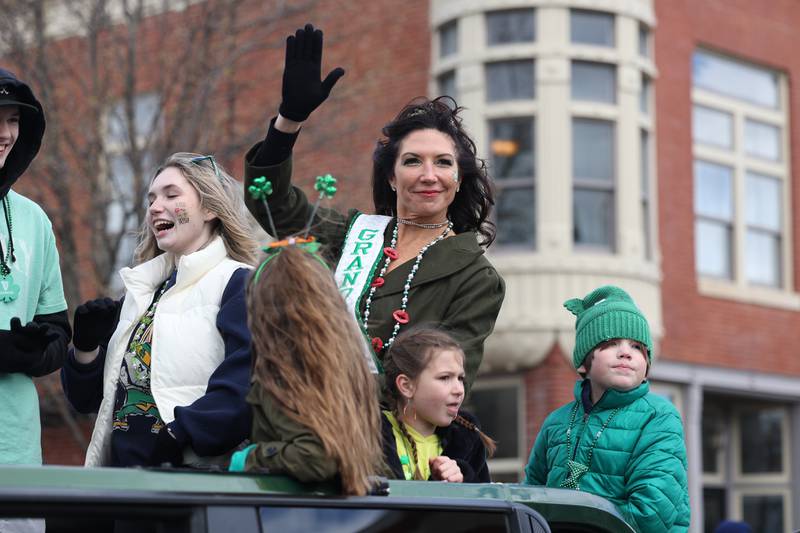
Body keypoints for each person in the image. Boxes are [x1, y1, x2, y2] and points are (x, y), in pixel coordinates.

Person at [244, 23, 504, 390]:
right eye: (413, 161)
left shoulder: (476, 278)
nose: (429, 175)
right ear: (391, 178)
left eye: (443, 163)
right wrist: (289, 121)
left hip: (385, 434)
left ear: (459, 180)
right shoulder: (354, 235)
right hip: (307, 418)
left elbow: (446, 384)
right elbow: (269, 201)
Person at [61, 152, 257, 468]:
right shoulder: (141, 294)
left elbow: (244, 387)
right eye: (151, 198)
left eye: (171, 195)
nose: (154, 207)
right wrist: (85, 349)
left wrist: (179, 436)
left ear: (209, 208)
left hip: (192, 484)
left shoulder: (238, 282)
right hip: (121, 483)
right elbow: (84, 401)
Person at [524, 285, 690, 532]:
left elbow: (652, 514)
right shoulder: (557, 422)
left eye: (637, 347)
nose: (625, 352)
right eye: (610, 343)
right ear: (583, 363)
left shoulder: (659, 417)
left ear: (647, 365)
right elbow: (530, 500)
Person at [229, 243, 382, 496]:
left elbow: (317, 457)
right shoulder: (349, 371)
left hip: (288, 513)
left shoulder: (282, 375)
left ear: (265, 308)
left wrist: (249, 458)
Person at [0, 69, 71, 466]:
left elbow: (57, 328)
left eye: (13, 119)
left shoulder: (33, 219)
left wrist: (34, 353)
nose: (6, 133)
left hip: (18, 452)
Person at [381, 326, 495, 482]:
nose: (459, 390)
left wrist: (462, 483)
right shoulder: (369, 435)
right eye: (445, 378)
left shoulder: (467, 440)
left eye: (460, 378)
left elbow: (485, 502)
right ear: (406, 386)